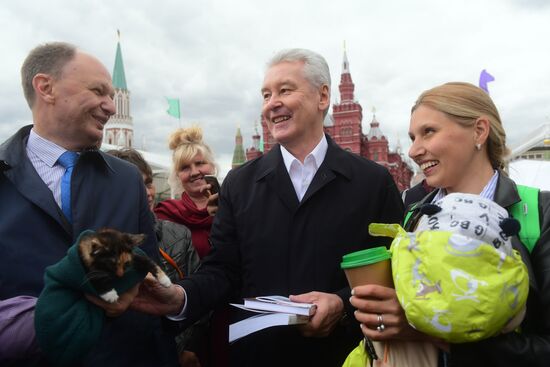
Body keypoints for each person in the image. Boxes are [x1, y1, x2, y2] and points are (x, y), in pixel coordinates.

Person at [130, 48, 404, 367]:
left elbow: (392, 273)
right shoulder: (240, 183)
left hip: (346, 356)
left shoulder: (372, 181)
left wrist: (341, 305)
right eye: (265, 94)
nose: (271, 103)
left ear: (323, 96)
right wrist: (180, 297)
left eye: (285, 90)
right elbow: (223, 269)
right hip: (258, 355)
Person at [0, 42, 178, 366]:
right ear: (46, 87)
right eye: (98, 91)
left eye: (112, 96)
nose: (110, 106)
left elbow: (148, 283)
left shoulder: (127, 180)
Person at [349, 82, 550, 366]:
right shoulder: (413, 214)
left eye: (428, 132)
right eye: (412, 137)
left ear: (479, 131)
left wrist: (430, 327)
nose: (414, 151)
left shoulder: (538, 213)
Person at [106, 147, 207, 367]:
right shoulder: (101, 246)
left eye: (149, 182)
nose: (148, 192)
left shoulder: (178, 235)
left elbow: (198, 295)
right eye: (137, 184)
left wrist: (180, 348)